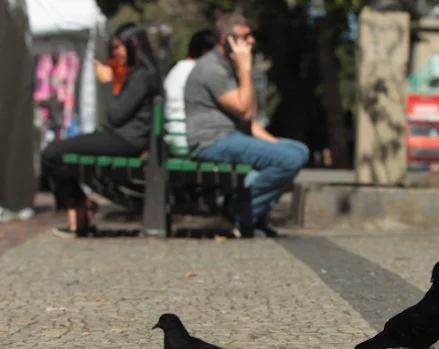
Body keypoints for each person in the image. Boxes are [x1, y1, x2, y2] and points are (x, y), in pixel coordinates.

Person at [184, 12, 309, 238]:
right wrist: (246, 68)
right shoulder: (212, 68)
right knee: (288, 159)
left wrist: (273, 143)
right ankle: (241, 213)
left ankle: (249, 215)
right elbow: (245, 110)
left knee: (297, 151)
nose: (251, 41)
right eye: (244, 37)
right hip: (212, 142)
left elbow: (247, 117)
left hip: (233, 136)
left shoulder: (227, 65)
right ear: (226, 40)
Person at [41, 23, 162, 238]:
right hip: (122, 137)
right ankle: (80, 206)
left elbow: (115, 116)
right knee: (53, 152)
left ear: (133, 44)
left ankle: (79, 205)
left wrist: (107, 82)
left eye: (118, 47)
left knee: (52, 153)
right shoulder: (141, 73)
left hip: (125, 141)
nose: (115, 53)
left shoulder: (143, 76)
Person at [163, 29, 215, 157]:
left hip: (174, 139)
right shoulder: (199, 72)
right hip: (191, 141)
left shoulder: (177, 69)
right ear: (206, 53)